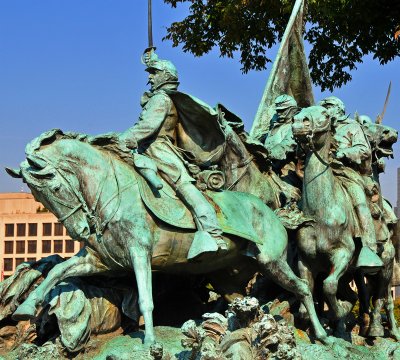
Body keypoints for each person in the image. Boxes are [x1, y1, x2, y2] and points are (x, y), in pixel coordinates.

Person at [119, 51, 226, 260]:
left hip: (159, 150)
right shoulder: (157, 98)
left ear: (165, 76)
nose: (149, 77)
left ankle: (212, 233)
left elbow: (146, 128)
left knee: (184, 186)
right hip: (145, 149)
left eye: (153, 73)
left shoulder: (160, 99)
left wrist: (120, 140)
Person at [319, 96, 383, 269]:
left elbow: (363, 150)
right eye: (323, 107)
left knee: (359, 200)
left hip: (347, 173)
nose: (325, 110)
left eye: (329, 107)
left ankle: (369, 248)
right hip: (323, 172)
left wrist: (344, 153)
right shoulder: (324, 128)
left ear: (339, 109)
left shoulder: (352, 127)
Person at [263, 94, 301, 188]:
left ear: (292, 110)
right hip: (265, 164)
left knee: (287, 193)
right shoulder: (273, 127)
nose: (279, 113)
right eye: (278, 111)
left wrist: (267, 153)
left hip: (287, 170)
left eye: (282, 111)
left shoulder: (296, 126)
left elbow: (287, 145)